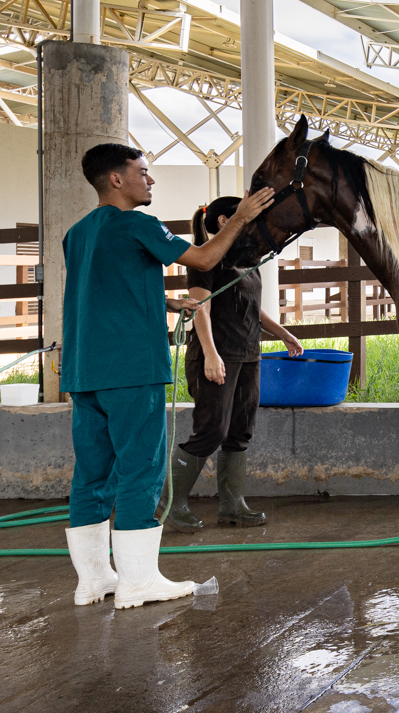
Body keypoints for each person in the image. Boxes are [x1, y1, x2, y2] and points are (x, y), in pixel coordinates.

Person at [61, 143, 274, 609]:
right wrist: (238, 218)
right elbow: (201, 259)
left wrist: (166, 303)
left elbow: (104, 292)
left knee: (93, 473)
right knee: (141, 468)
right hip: (131, 368)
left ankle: (94, 581)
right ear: (116, 179)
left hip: (84, 370)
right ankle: (138, 582)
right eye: (143, 171)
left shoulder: (77, 233)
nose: (151, 179)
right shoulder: (139, 224)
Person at [162, 196, 305, 533]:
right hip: (216, 356)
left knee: (241, 430)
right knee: (212, 428)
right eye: (251, 218)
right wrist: (210, 353)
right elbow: (200, 307)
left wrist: (284, 334)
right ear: (226, 221)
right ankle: (171, 501)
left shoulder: (245, 262)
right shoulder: (205, 260)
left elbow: (254, 309)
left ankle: (232, 505)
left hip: (247, 355)